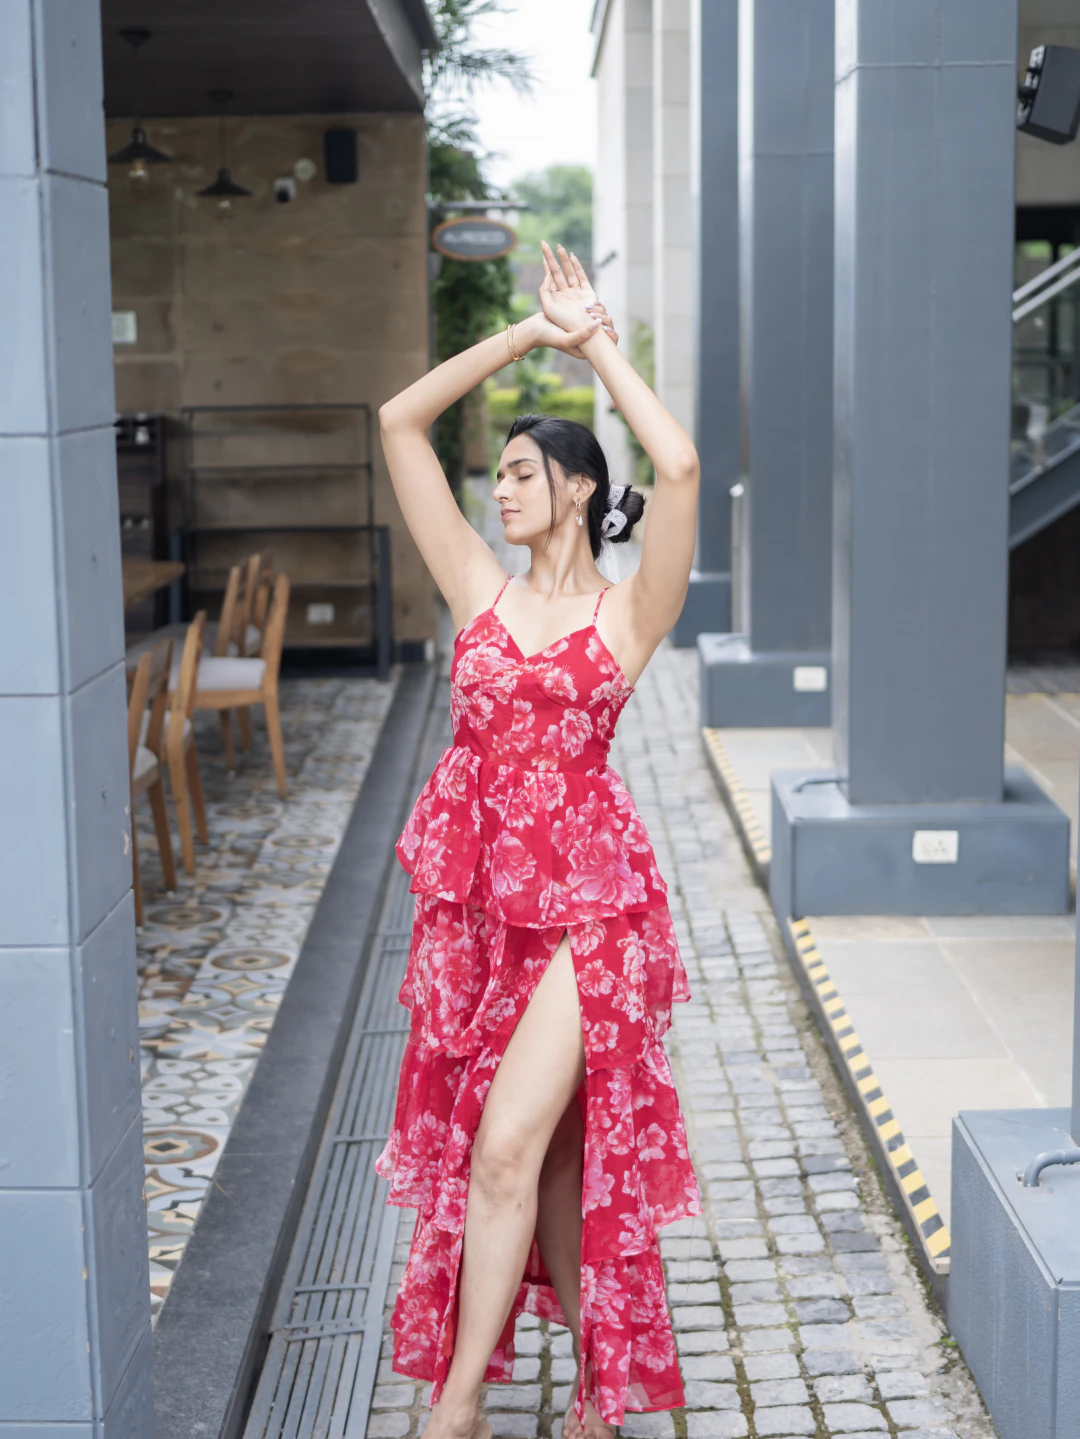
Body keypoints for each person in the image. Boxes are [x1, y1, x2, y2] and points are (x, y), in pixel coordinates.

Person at [375, 243, 703, 1439]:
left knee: (508, 1145)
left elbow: (677, 463)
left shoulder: (629, 612)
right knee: (551, 1155)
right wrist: (526, 336)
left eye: (522, 473)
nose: (500, 490)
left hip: (591, 911)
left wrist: (596, 341)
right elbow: (400, 422)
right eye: (499, 474)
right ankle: (597, 1399)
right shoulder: (477, 585)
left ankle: (456, 1404)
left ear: (575, 487)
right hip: (478, 915)